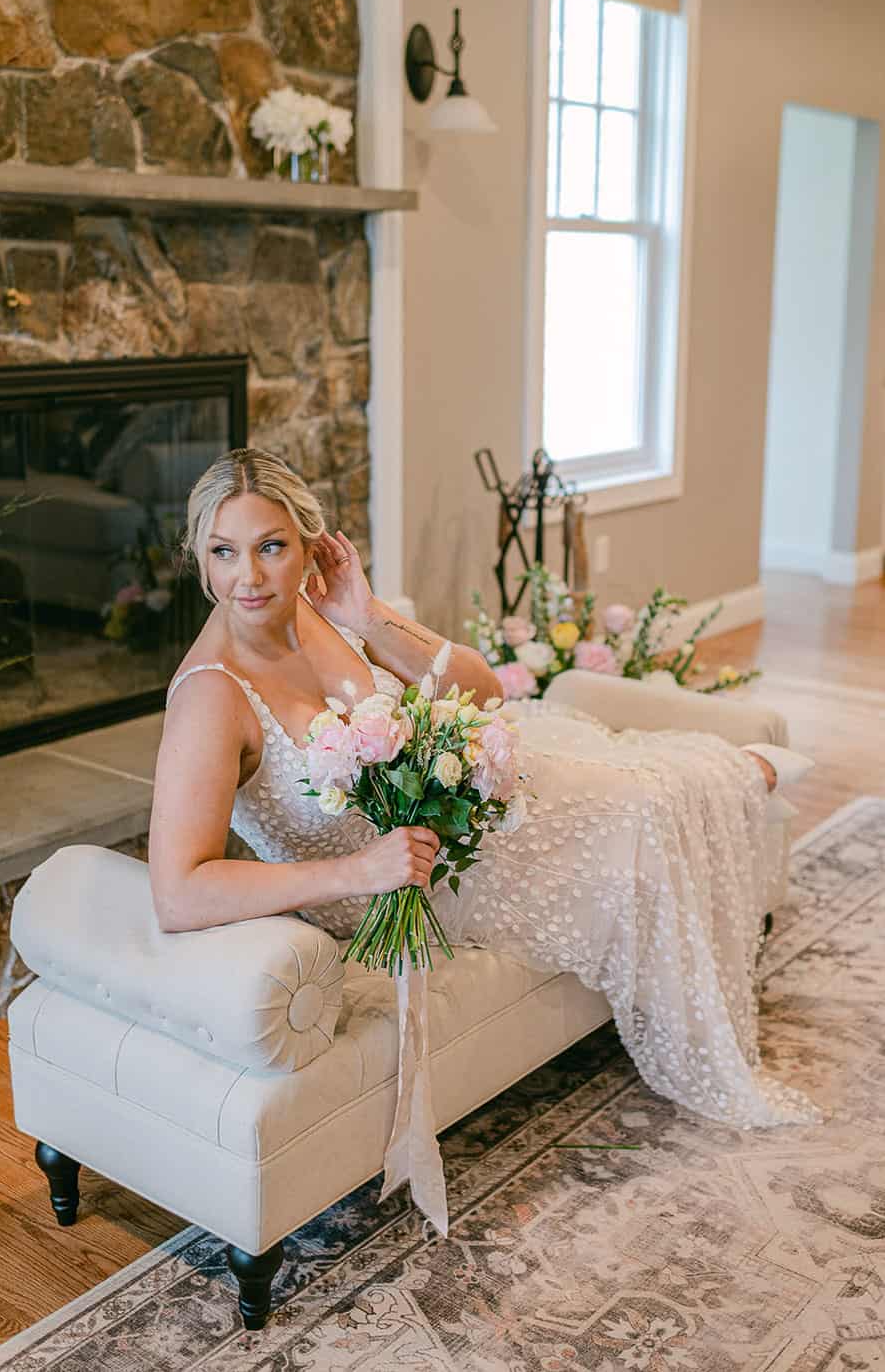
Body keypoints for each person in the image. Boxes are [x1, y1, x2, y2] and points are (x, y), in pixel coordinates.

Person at [150, 448, 819, 1233]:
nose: (250, 577)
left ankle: (734, 780)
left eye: (271, 546)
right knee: (643, 808)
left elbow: (481, 690)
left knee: (645, 790)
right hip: (392, 882)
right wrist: (358, 869)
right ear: (199, 558)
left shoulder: (308, 610)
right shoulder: (209, 696)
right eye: (224, 552)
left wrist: (365, 617)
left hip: (455, 817)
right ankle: (742, 780)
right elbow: (178, 890)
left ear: (309, 546)